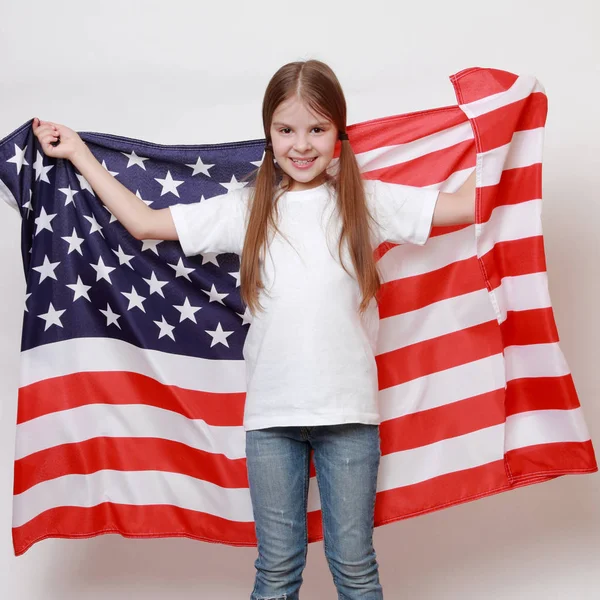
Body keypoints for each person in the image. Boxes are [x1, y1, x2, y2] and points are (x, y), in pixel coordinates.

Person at [33, 59, 475, 600]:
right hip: (272, 420)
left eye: (318, 129)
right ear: (268, 133)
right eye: (286, 130)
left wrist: (508, 129)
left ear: (339, 131)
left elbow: (467, 205)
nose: (302, 145)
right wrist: (77, 151)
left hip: (350, 416)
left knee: (355, 568)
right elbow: (146, 221)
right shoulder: (249, 207)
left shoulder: (368, 202)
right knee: (276, 571)